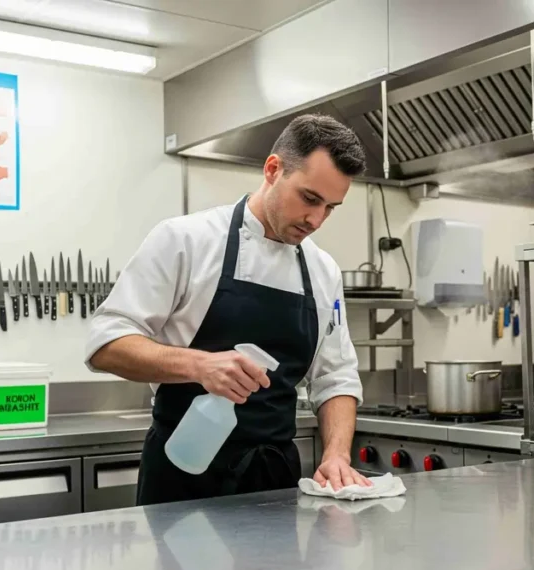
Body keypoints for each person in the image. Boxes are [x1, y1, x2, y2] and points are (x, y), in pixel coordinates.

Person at [86, 113, 373, 506]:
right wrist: (199, 366)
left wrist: (337, 454)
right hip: (183, 476)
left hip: (274, 482)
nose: (316, 219)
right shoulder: (186, 239)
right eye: (309, 199)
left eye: (330, 207)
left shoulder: (322, 270)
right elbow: (106, 343)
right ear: (273, 169)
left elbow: (336, 377)